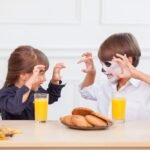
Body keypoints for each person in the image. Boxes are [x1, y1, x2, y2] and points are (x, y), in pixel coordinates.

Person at [78, 32, 150, 121]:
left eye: (108, 64)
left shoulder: (145, 87)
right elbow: (85, 92)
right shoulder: (104, 85)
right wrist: (91, 73)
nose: (103, 70)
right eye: (102, 64)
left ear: (128, 60)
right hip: (106, 135)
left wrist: (136, 73)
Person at [0, 45, 65, 120]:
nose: (44, 79)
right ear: (23, 74)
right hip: (14, 131)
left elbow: (50, 98)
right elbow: (15, 108)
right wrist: (30, 83)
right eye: (39, 74)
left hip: (35, 131)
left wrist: (54, 81)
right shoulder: (4, 94)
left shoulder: (35, 90)